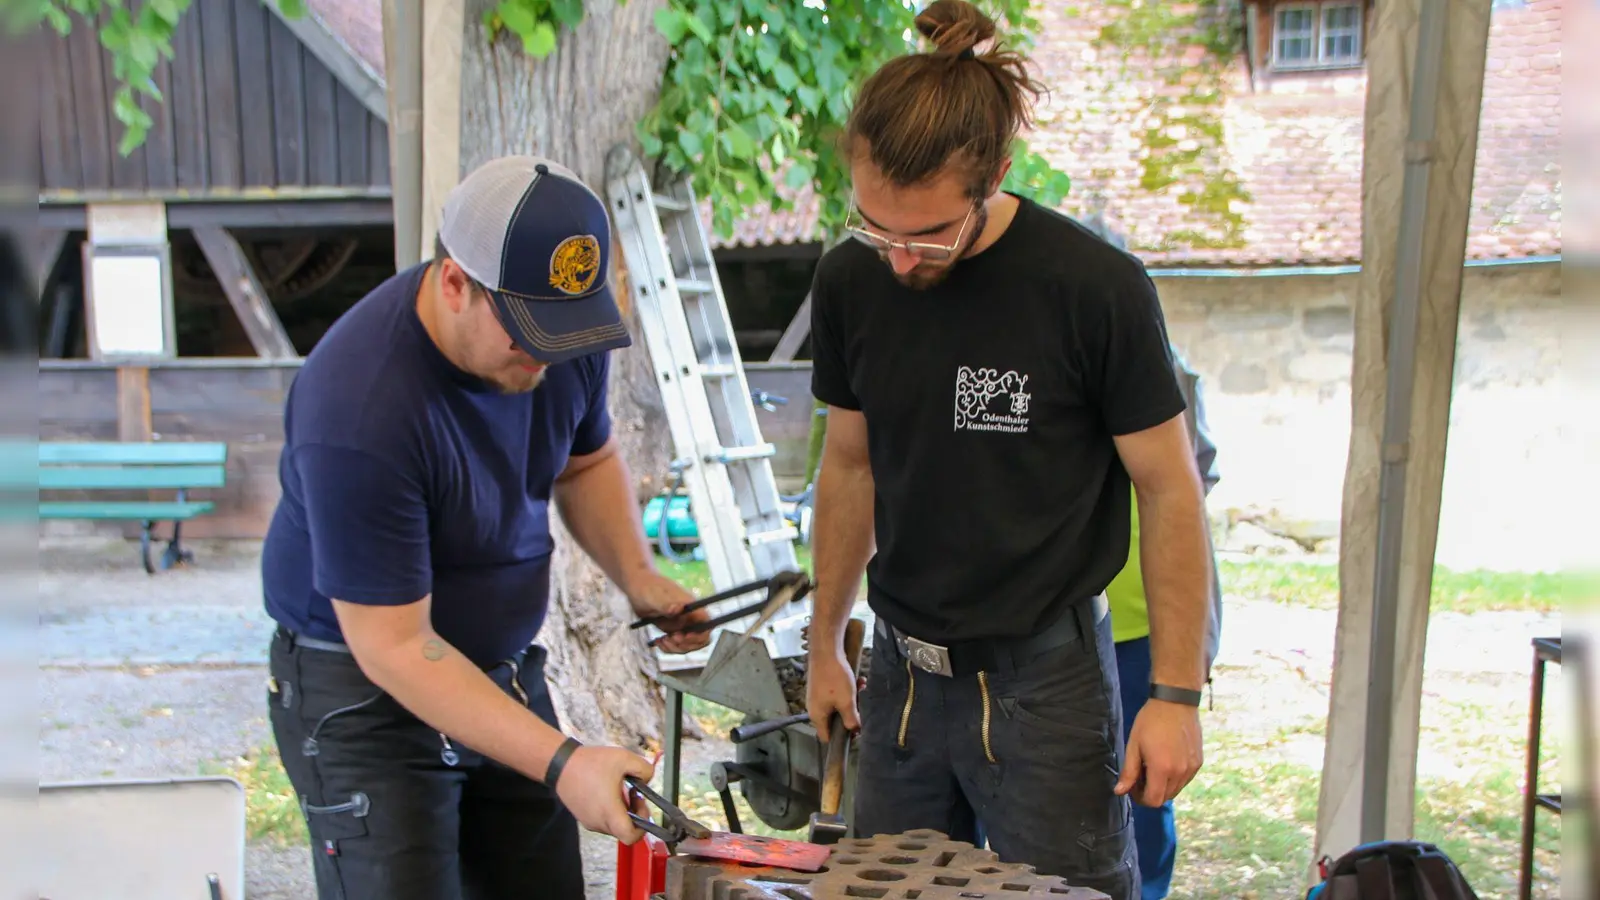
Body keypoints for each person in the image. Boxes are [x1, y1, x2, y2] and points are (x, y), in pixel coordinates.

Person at [802, 3, 1213, 898]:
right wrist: (827, 640)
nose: (900, 261)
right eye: (877, 227)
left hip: (1047, 683)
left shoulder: (1093, 289)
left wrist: (1176, 695)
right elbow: (849, 465)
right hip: (902, 679)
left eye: (928, 234)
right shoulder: (849, 279)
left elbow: (1169, 487)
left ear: (996, 175)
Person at [260, 154, 710, 900]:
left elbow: (586, 462)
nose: (546, 356)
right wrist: (566, 762)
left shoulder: (561, 341)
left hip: (496, 666)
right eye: (528, 330)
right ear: (454, 282)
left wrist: (637, 577)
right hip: (363, 687)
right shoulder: (360, 408)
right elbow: (397, 648)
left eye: (566, 330)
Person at [1105, 347, 1224, 900]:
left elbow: (1195, 477)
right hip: (1035, 624)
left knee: (1145, 792)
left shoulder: (1151, 353)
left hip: (1137, 623)